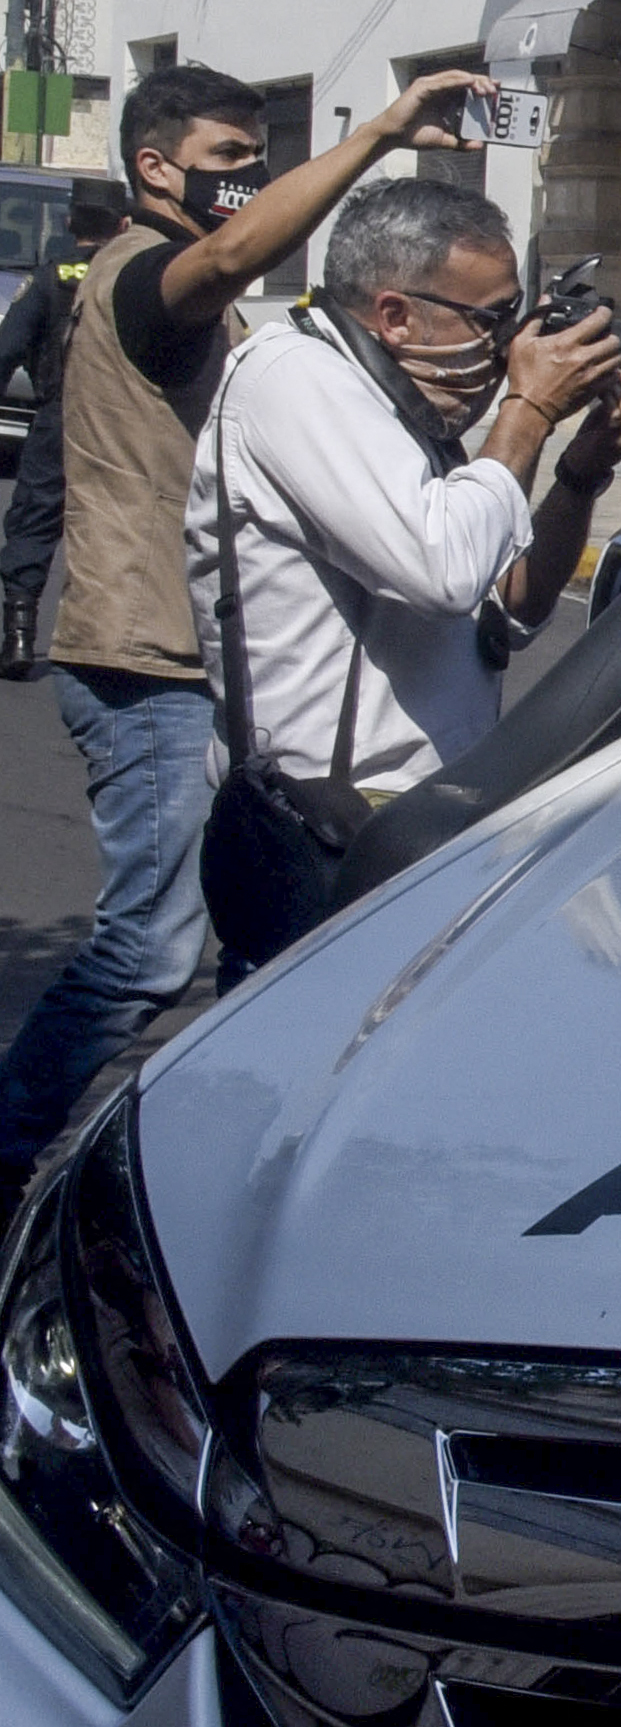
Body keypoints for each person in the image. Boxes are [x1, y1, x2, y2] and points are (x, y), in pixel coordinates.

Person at [0, 62, 494, 1196]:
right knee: (150, 946)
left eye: (254, 163)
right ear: (153, 167)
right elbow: (228, 257)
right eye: (227, 163)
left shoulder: (186, 297)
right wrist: (380, 133)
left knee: (253, 930)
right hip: (140, 656)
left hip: (187, 656)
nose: (247, 185)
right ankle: (20, 1153)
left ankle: (237, 1158)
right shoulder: (141, 277)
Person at [188, 181, 621, 809]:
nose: (509, 342)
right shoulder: (294, 377)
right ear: (397, 316)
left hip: (422, 802)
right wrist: (528, 408)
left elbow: (510, 609)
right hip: (326, 813)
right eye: (492, 319)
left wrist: (582, 471)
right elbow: (444, 571)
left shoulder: (405, 403)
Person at [0, 177, 123, 677]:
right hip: (124, 425)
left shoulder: (51, 277)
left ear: (70, 222)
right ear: (122, 226)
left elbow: (6, 349)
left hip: (61, 415)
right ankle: (112, 646)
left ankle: (20, 636)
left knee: (35, 518)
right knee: (118, 524)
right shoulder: (136, 276)